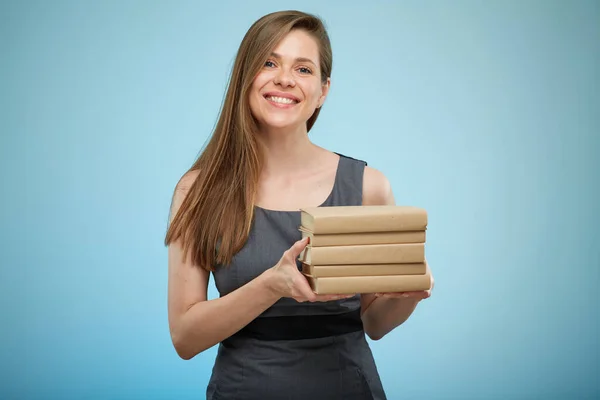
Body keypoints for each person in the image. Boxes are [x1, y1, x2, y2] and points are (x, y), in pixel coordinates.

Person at [165, 10, 434, 400]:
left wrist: (410, 293)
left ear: (324, 90)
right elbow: (185, 338)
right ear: (245, 76)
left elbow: (374, 323)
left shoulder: (368, 187)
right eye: (269, 62)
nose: (285, 79)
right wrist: (273, 285)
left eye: (304, 69)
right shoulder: (197, 191)